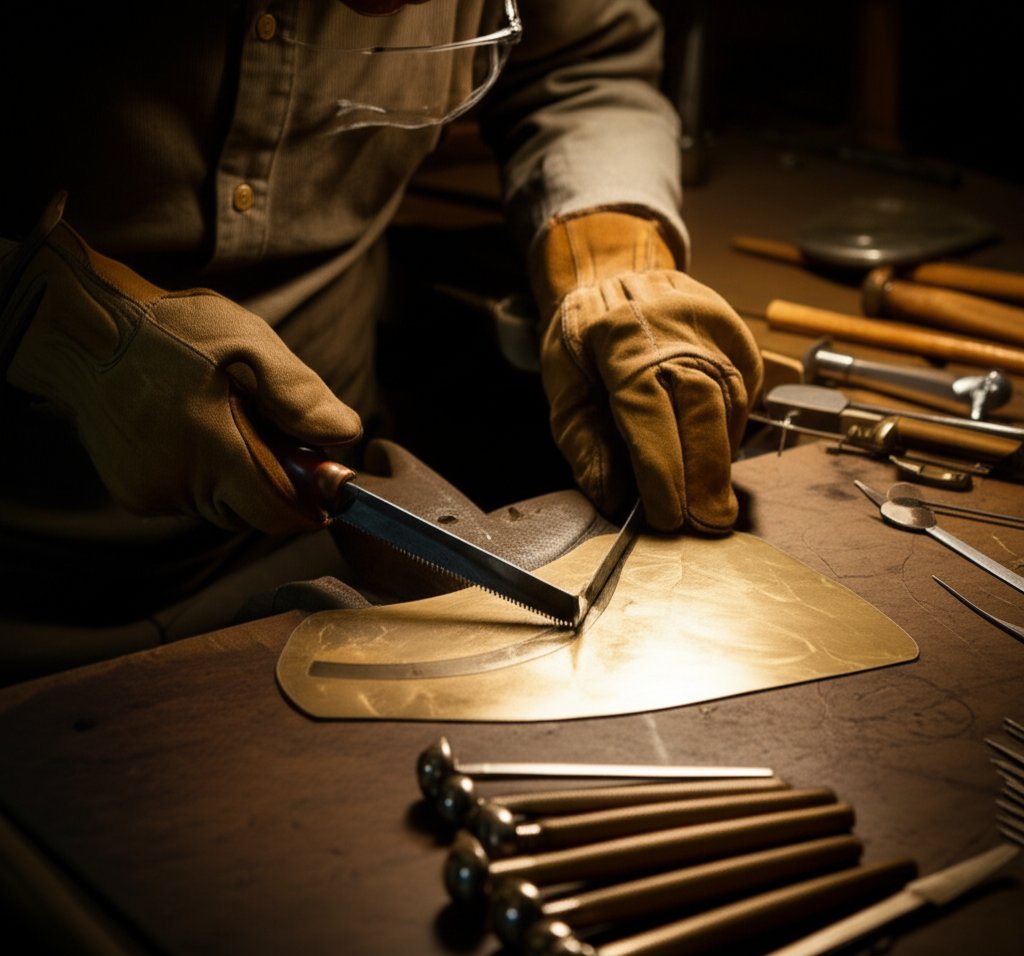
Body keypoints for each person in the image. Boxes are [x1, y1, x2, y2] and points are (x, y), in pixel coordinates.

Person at [0, 0, 762, 681]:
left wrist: (609, 259)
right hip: (26, 586)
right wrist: (57, 326)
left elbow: (579, 66)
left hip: (325, 537)